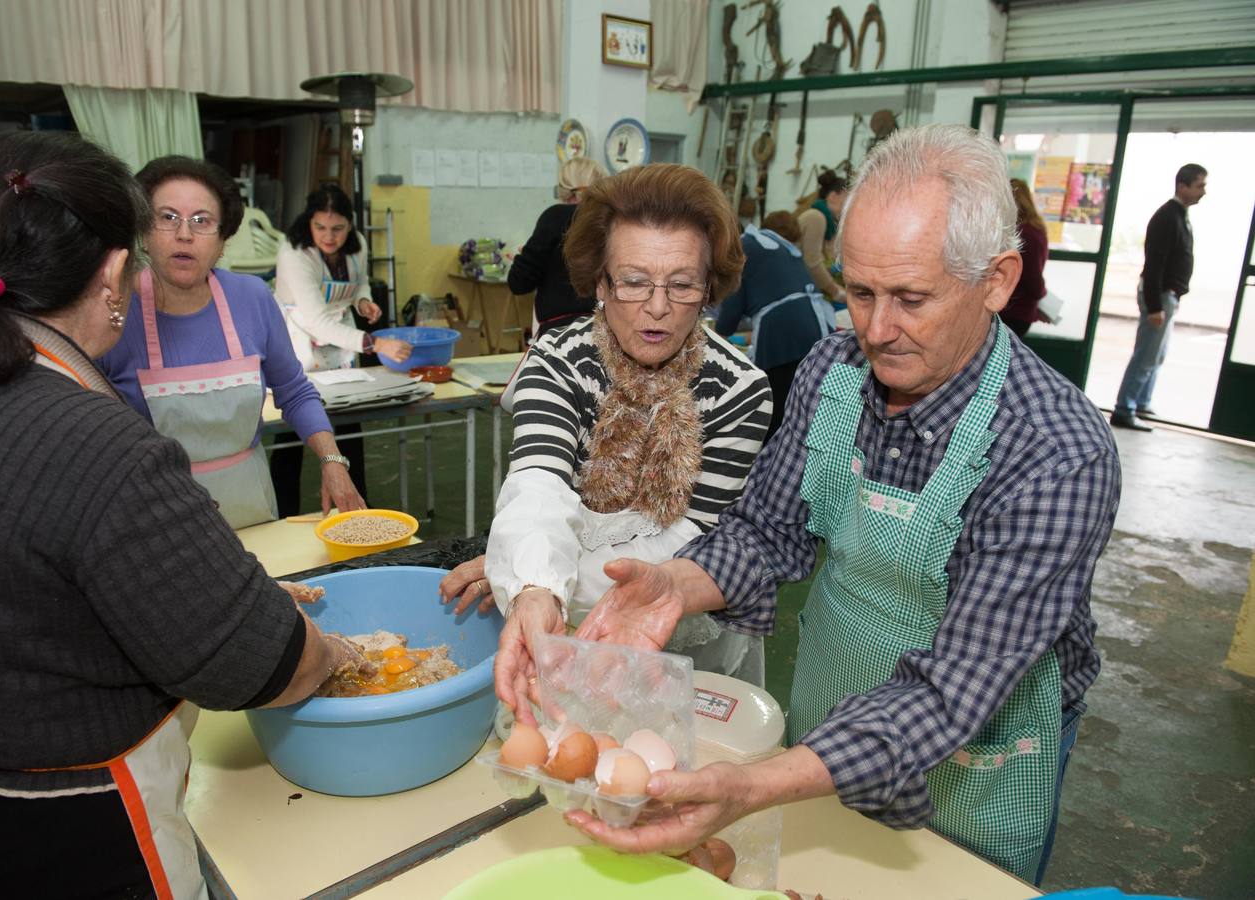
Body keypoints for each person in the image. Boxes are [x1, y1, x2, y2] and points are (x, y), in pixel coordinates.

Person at [510, 125, 1122, 885]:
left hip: (980, 751)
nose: (875, 329)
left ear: (997, 280)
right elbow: (769, 533)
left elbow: (954, 686)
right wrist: (678, 583)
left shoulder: (1055, 454)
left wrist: (752, 785)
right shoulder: (835, 370)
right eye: (858, 291)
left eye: (911, 298)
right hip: (834, 702)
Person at [0, 131, 362, 898]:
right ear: (118, 269)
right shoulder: (93, 441)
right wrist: (335, 653)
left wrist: (218, 591)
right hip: (71, 833)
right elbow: (264, 664)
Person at [446, 164, 774, 686]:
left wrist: (523, 568)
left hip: (681, 637)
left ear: (710, 287)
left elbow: (687, 541)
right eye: (635, 283)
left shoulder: (739, 390)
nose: (658, 308)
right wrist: (532, 583)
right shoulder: (560, 358)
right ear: (600, 282)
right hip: (561, 608)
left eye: (683, 285)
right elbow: (539, 484)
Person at [99, 157, 364, 528]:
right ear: (143, 231)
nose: (185, 235)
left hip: (249, 502)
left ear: (223, 240)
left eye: (202, 221)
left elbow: (293, 390)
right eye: (168, 217)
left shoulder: (251, 297)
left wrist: (332, 461)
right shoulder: (113, 310)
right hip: (154, 514)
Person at [271, 184, 410, 514]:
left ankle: (357, 506)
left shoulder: (357, 244)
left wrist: (363, 301)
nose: (329, 236)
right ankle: (283, 512)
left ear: (350, 225)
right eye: (320, 227)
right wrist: (374, 342)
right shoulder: (294, 253)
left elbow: (359, 279)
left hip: (342, 336)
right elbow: (317, 321)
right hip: (300, 337)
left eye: (337, 228)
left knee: (349, 418)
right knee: (292, 427)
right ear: (309, 222)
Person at [715, 209, 827, 440]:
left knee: (770, 409)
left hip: (782, 332)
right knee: (792, 404)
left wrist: (721, 332)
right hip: (813, 324)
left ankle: (764, 464)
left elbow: (733, 301)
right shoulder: (780, 247)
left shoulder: (745, 246)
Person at [1111, 163, 1207, 431]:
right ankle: (1124, 408)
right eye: (1200, 185)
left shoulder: (1180, 215)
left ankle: (1141, 401)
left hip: (1168, 295)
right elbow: (1155, 264)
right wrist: (1155, 306)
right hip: (1159, 296)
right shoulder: (1168, 217)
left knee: (1157, 355)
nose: (1203, 191)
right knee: (1146, 354)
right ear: (1182, 186)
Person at [508, 156, 605, 340]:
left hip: (558, 334)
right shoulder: (608, 219)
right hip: (604, 329)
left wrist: (524, 255)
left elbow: (519, 283)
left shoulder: (554, 218)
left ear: (563, 189)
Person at [1001, 178, 1048, 337]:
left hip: (1014, 311)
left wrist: (1041, 294)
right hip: (1020, 310)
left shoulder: (1025, 233)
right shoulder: (1035, 229)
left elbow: (1032, 276)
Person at [795, 167, 848, 304]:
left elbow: (827, 264)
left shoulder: (830, 223)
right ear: (833, 196)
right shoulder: (816, 217)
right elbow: (812, 264)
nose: (847, 207)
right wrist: (836, 292)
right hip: (797, 290)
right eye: (846, 201)